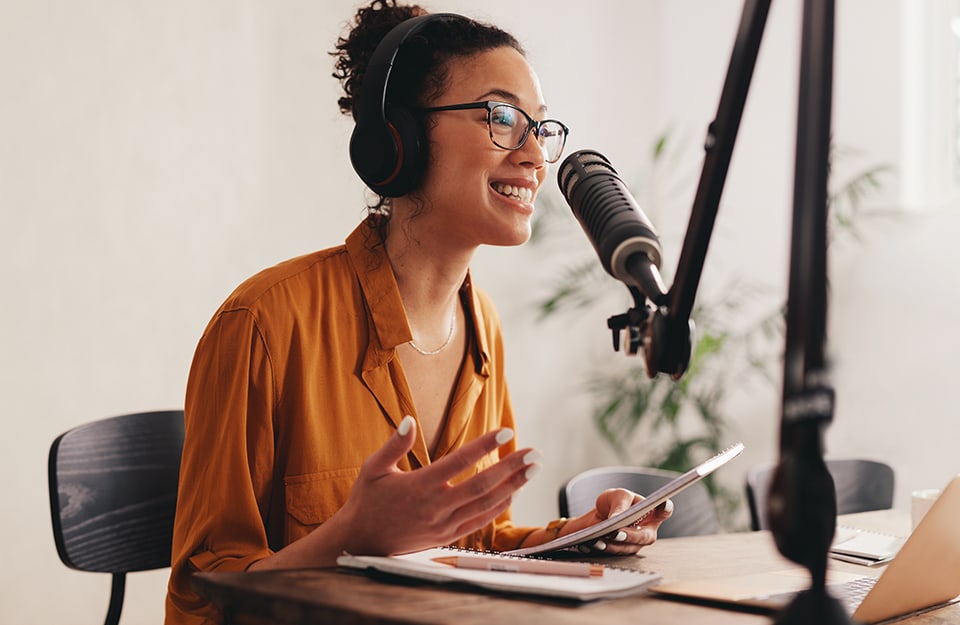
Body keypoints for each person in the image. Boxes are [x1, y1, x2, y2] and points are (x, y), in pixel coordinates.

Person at [165, 2, 672, 623]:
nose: (535, 155)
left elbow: (471, 547)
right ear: (397, 141)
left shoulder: (481, 326)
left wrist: (576, 537)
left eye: (540, 127)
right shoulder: (265, 324)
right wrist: (350, 535)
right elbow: (200, 598)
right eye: (503, 117)